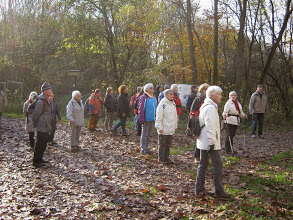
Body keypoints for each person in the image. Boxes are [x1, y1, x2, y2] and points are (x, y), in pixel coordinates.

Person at [195, 86, 232, 198]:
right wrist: (212, 142)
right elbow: (210, 126)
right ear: (212, 96)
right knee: (218, 164)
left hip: (204, 141)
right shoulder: (210, 108)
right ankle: (219, 191)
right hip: (209, 142)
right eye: (219, 95)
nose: (221, 97)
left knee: (203, 164)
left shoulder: (206, 106)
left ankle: (199, 188)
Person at [32, 83, 53, 168]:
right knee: (40, 143)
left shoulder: (46, 100)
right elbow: (35, 115)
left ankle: (40, 158)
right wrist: (35, 124)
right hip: (42, 126)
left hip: (46, 126)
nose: (51, 90)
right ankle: (36, 161)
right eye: (49, 89)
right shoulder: (40, 101)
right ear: (44, 91)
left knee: (44, 143)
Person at [155, 89, 177, 164]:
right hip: (164, 128)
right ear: (165, 95)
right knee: (162, 144)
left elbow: (175, 116)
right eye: (170, 94)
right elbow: (158, 117)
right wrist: (159, 127)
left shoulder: (173, 104)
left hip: (170, 128)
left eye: (172, 94)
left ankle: (166, 157)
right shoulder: (162, 104)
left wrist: (175, 125)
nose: (172, 95)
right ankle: (161, 158)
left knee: (168, 144)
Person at [189, 83, 209, 160]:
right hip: (199, 122)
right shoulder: (198, 99)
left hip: (206, 121)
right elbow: (193, 110)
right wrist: (199, 117)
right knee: (200, 139)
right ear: (202, 90)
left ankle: (203, 157)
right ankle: (196, 156)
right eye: (206, 89)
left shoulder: (207, 99)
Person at [138, 83, 157, 154]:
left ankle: (146, 146)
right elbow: (141, 109)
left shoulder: (154, 98)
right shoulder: (143, 97)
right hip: (146, 119)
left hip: (152, 118)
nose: (152, 89)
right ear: (147, 89)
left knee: (149, 134)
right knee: (144, 134)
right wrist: (142, 119)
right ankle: (143, 148)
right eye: (150, 88)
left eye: (153, 88)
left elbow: (156, 108)